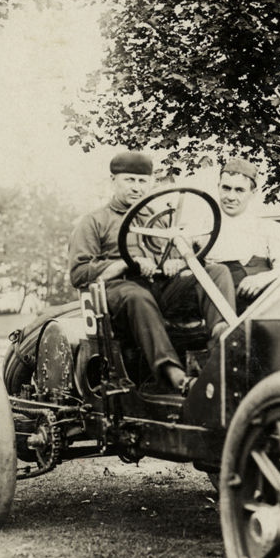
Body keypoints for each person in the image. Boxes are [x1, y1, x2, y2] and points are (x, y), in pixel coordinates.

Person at [68, 151, 236, 392]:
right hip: (117, 295)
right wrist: (127, 263)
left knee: (216, 272)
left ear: (150, 183)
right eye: (129, 180)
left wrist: (175, 264)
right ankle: (172, 373)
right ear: (112, 181)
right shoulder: (95, 221)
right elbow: (79, 273)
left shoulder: (158, 219)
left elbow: (177, 256)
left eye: (142, 181)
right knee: (137, 295)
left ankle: (222, 340)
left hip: (158, 290)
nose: (136, 187)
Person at [204, 158, 280, 313]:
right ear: (218, 187)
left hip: (261, 307)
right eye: (226, 188)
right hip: (219, 309)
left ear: (253, 193)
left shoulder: (270, 228)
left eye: (239, 190)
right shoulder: (203, 228)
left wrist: (262, 278)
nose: (231, 197)